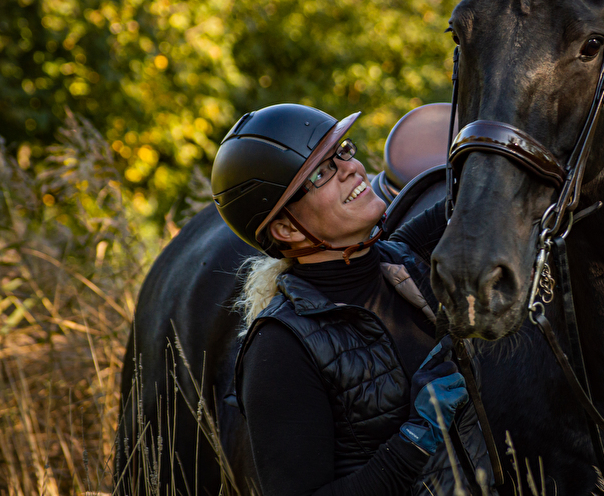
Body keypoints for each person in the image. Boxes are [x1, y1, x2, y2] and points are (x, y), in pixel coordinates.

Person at [210, 103, 495, 496]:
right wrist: (415, 438)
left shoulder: (405, 257)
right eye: (323, 172)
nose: (352, 168)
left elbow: (489, 188)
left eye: (342, 151)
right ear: (284, 228)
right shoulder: (279, 348)